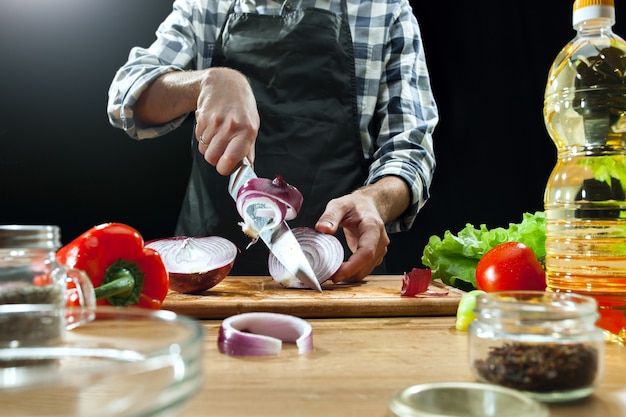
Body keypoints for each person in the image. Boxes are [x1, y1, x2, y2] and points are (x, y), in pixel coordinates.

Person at [107, 0, 438, 283]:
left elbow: (410, 151)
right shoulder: (209, 5)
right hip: (207, 280)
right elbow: (127, 95)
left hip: (338, 274)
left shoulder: (385, 10)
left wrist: (374, 201)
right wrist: (207, 82)